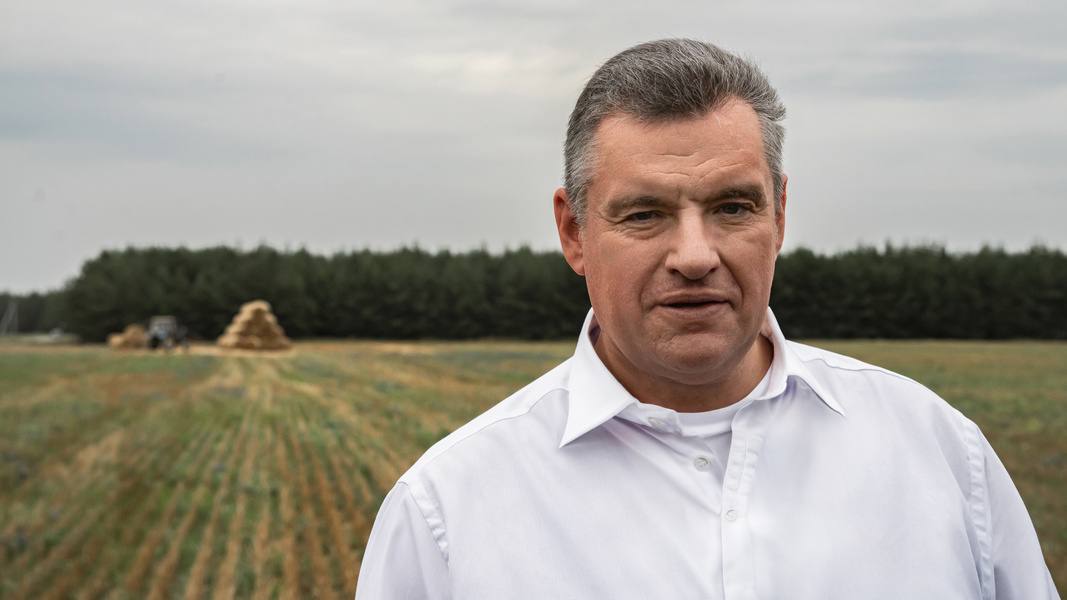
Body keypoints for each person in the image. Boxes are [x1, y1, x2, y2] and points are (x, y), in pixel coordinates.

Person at [355, 39, 1059, 599]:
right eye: (644, 214)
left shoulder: (940, 455)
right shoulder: (445, 514)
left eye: (732, 207)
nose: (694, 256)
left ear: (779, 215)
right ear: (573, 233)